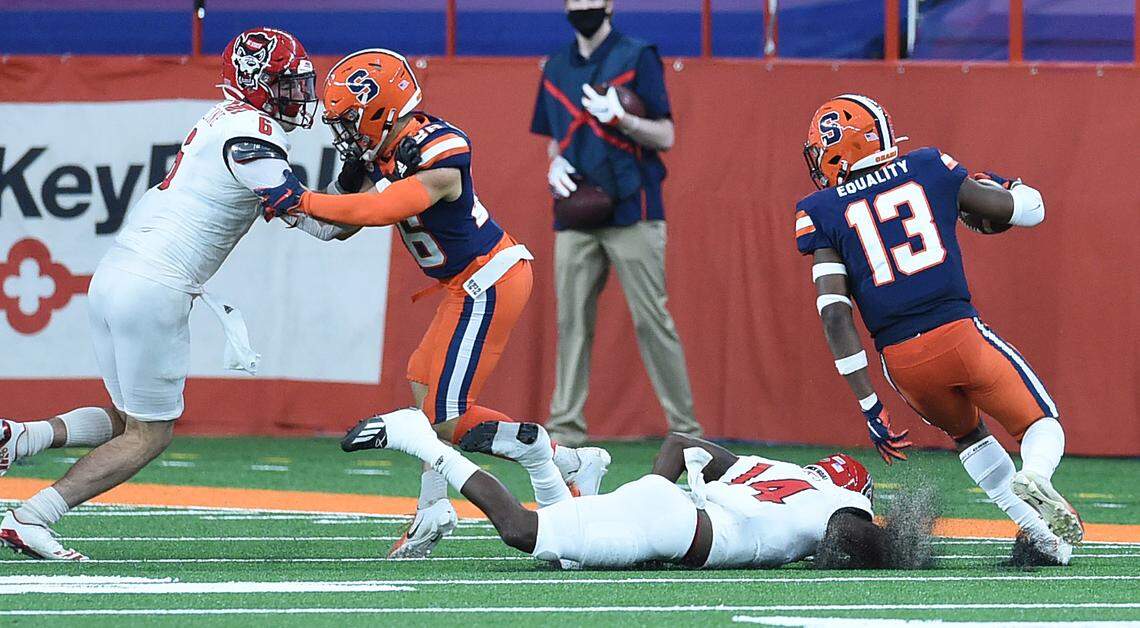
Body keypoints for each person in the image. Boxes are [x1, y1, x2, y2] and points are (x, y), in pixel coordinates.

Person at [258, 48, 610, 559]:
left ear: (382, 109)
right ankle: (432, 507)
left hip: (490, 278)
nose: (345, 133)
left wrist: (302, 198)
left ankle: (555, 455)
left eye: (350, 119)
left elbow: (380, 209)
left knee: (447, 415)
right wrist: (280, 202)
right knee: (424, 387)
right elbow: (334, 228)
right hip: (464, 284)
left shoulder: (439, 150)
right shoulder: (378, 151)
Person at [0, 28, 329, 560]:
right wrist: (376, 177)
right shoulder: (255, 133)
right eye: (287, 84)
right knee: (150, 434)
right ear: (257, 83)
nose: (299, 95)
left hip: (114, 275)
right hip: (154, 287)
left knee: (127, 416)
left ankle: (22, 437)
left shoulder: (223, 119)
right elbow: (323, 224)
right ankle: (32, 517)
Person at [794, 94, 1082, 565]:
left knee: (971, 438)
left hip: (902, 364)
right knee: (1040, 422)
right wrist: (1013, 186)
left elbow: (834, 314)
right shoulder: (928, 166)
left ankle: (1045, 539)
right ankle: (1037, 474)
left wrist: (870, 405)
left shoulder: (819, 210)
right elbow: (1030, 211)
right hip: (958, 334)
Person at [341, 408, 891, 569]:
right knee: (520, 531)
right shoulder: (836, 502)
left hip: (671, 510)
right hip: (679, 527)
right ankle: (417, 437)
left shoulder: (776, 468)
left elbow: (678, 443)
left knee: (566, 559)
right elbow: (855, 537)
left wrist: (654, 491)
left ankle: (545, 463)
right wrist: (896, 549)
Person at [530, 0, 701, 446]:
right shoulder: (555, 66)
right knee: (571, 321)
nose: (583, 7)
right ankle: (564, 431)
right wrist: (555, 164)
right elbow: (555, 139)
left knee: (652, 320)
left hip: (633, 209)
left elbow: (666, 135)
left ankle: (687, 433)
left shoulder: (637, 55)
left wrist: (623, 119)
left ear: (609, 5)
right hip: (576, 211)